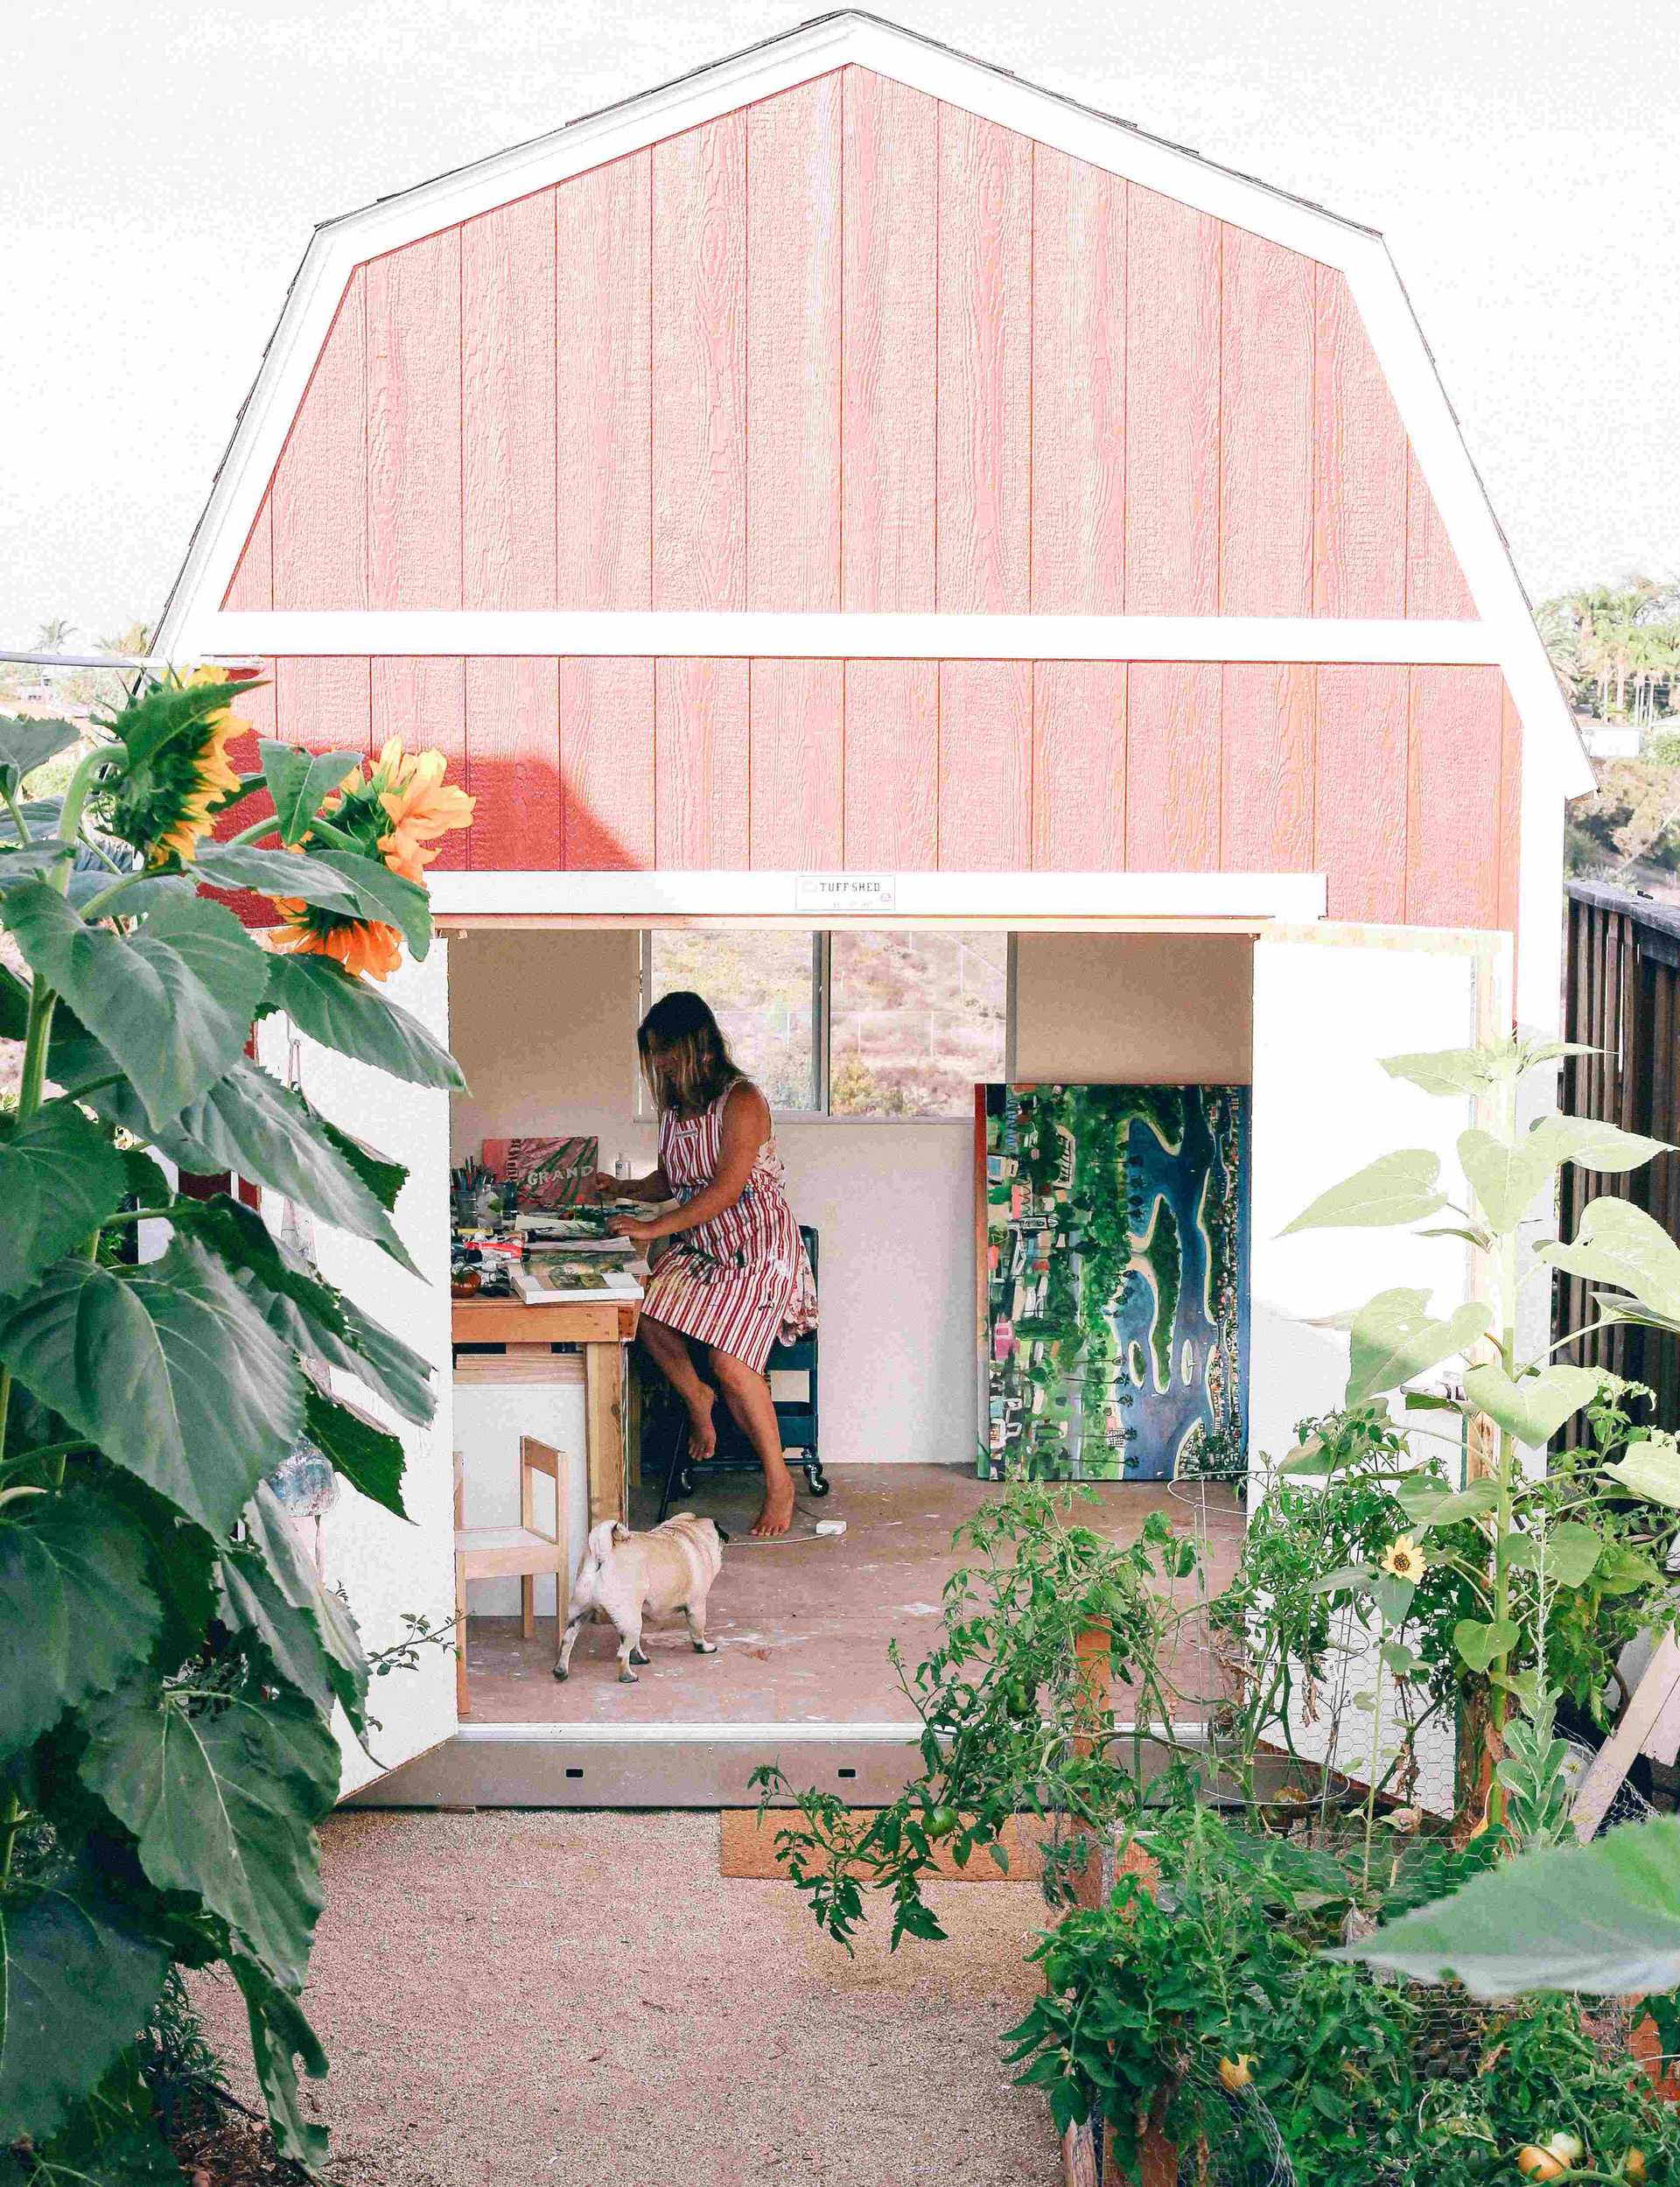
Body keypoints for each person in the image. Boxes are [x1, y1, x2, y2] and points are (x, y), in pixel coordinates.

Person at [605, 992, 817, 1538]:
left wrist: (652, 1229)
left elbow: (725, 1188)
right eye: (654, 1055)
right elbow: (673, 1178)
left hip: (758, 1248)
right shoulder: (675, 1110)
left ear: (698, 1046)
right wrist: (622, 1190)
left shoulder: (741, 1100)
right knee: (642, 1312)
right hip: (704, 1245)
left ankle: (780, 1482)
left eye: (666, 1052)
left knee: (730, 1364)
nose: (660, 1065)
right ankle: (697, 1398)